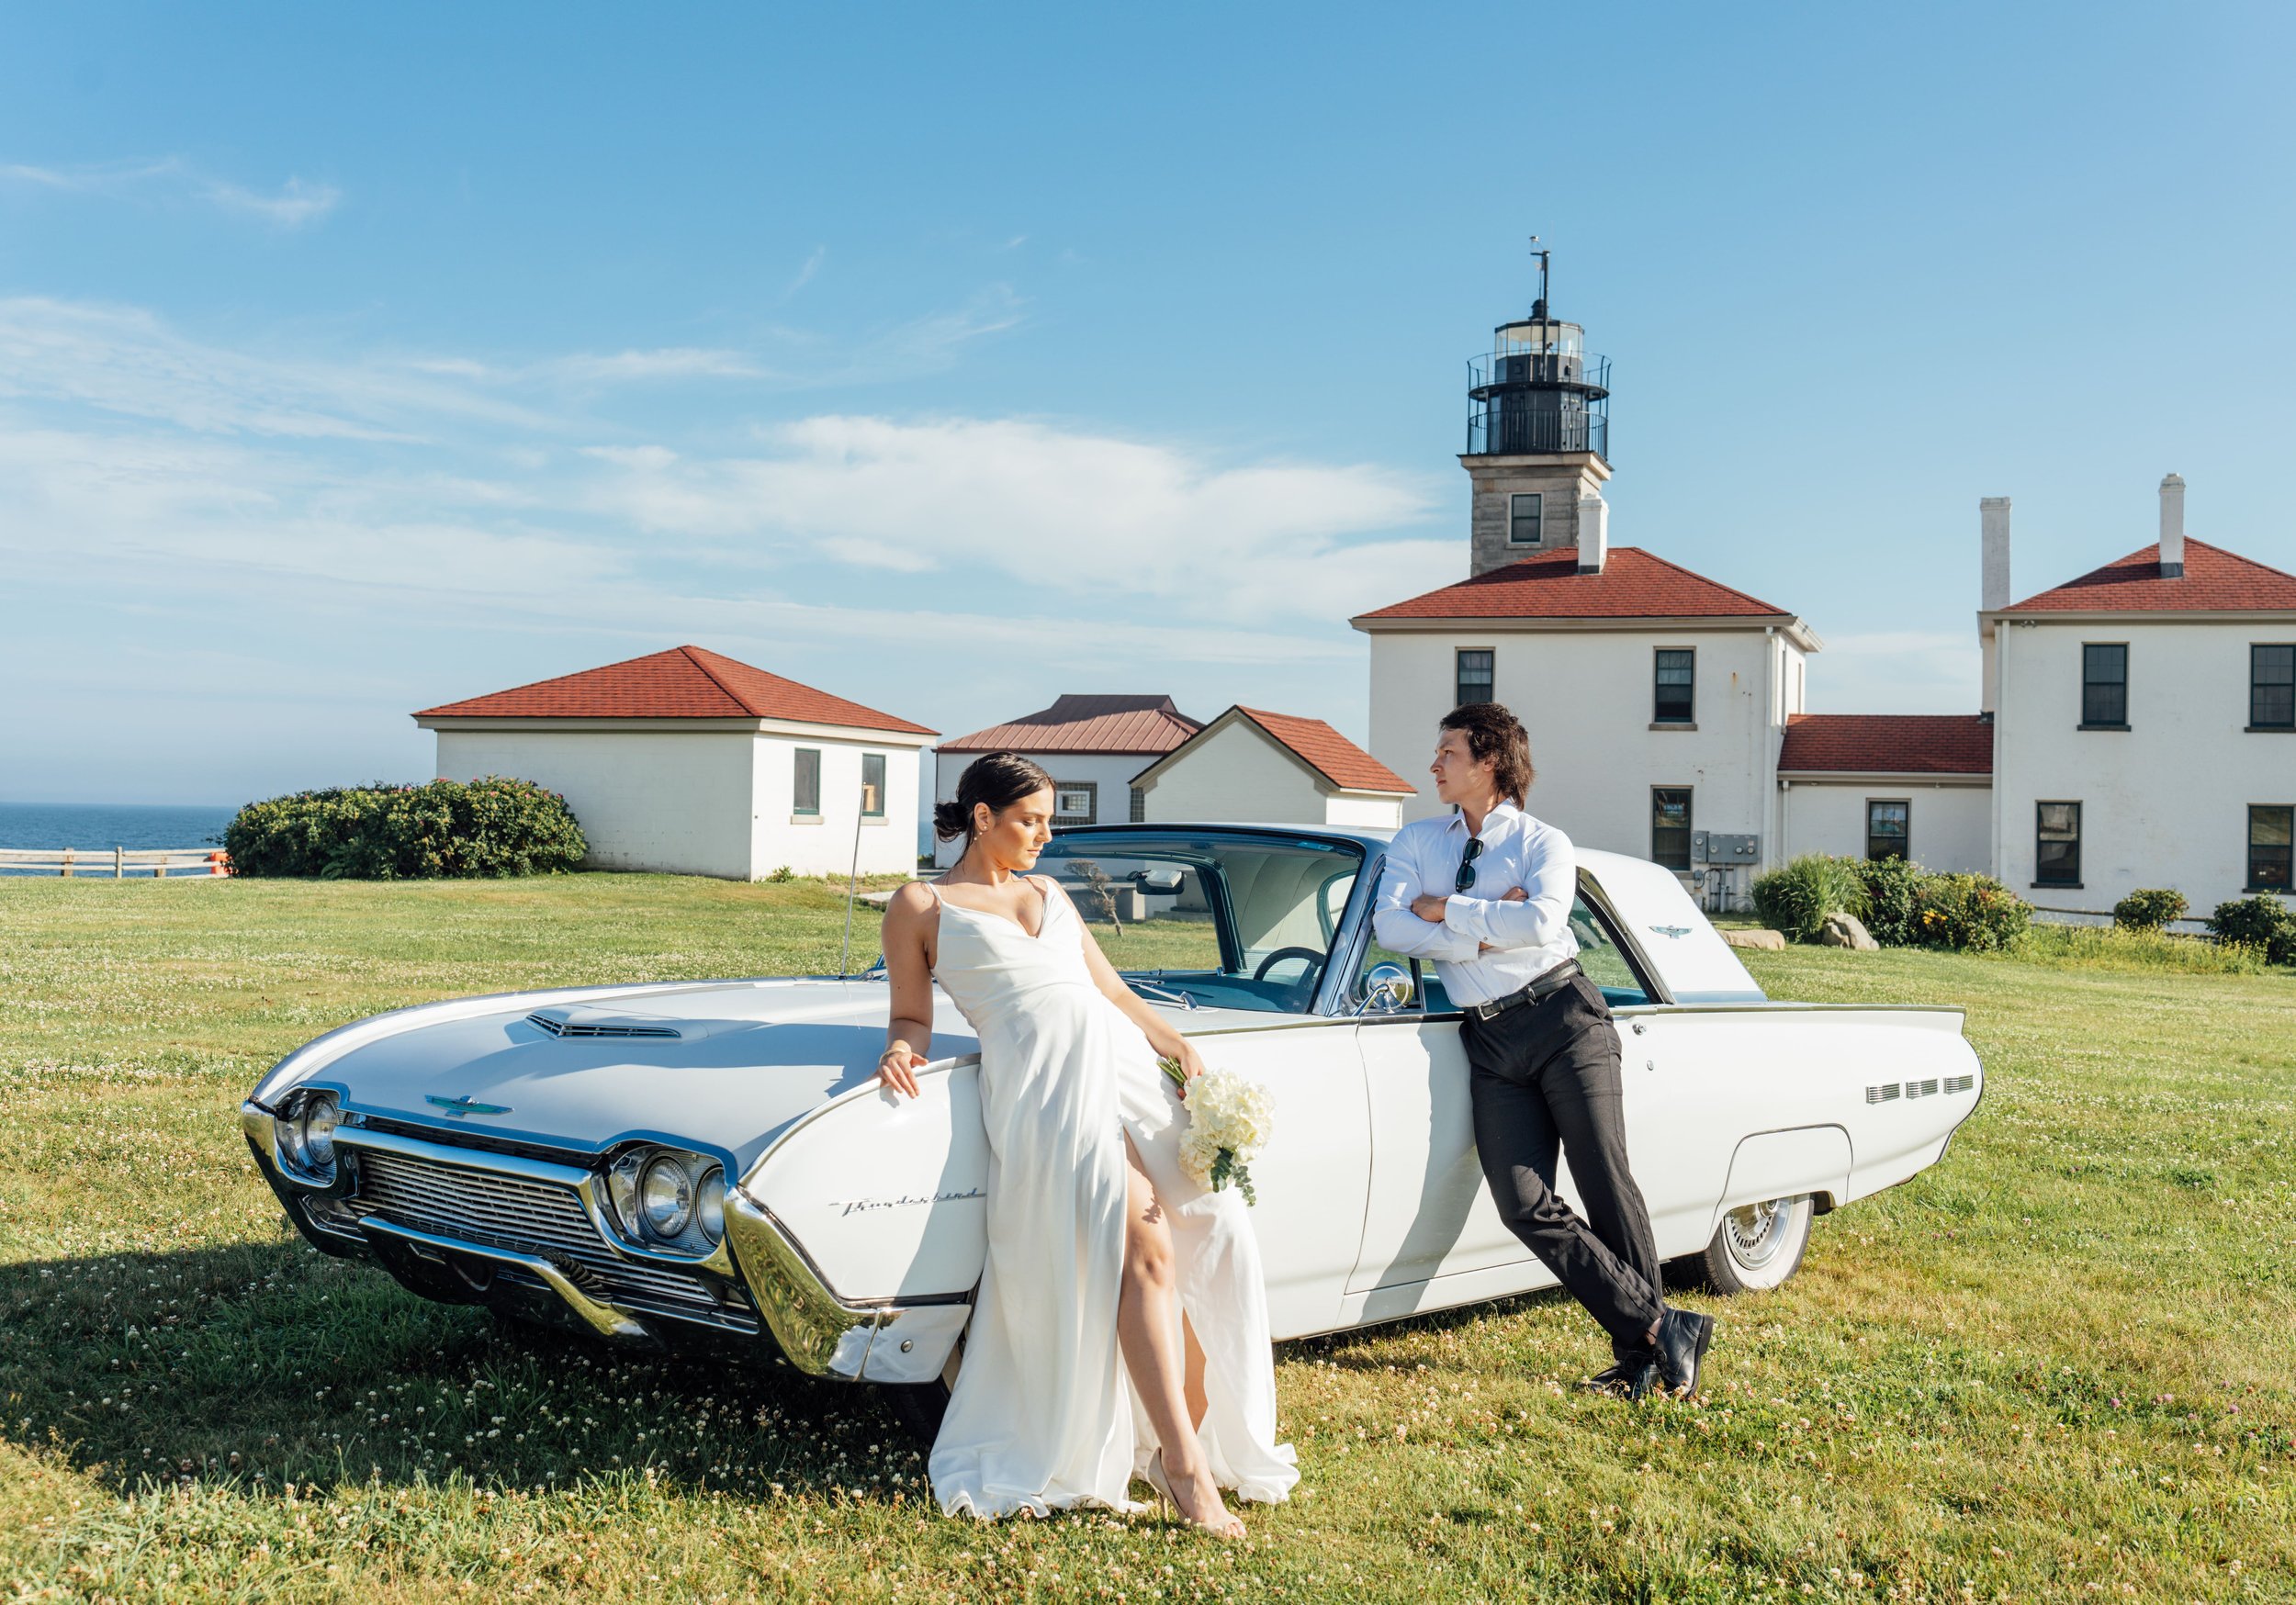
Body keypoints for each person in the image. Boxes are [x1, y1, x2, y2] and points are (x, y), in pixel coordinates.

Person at [875, 751, 1298, 1532]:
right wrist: (903, 1049)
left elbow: (1110, 990)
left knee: (1215, 1229)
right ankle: (1182, 1465)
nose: (1045, 834)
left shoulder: (1050, 891)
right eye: (1031, 820)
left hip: (1127, 1073)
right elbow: (912, 1014)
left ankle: (1197, 1430)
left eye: (1047, 820)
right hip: (1046, 1093)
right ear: (981, 818)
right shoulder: (922, 905)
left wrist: (1178, 1046)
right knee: (1144, 1247)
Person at [1370, 703, 1714, 1400]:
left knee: (1604, 1183)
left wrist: (1446, 911)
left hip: (1565, 1018)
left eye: (1448, 753)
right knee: (1522, 1202)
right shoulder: (1415, 843)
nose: (1433, 765)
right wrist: (1489, 929)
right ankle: (1662, 1328)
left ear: (1490, 760)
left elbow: (1544, 921)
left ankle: (1641, 1358)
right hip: (1490, 1038)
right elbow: (1389, 927)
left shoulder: (1542, 842)